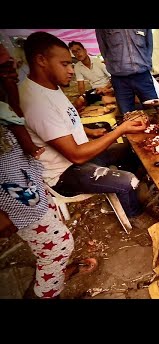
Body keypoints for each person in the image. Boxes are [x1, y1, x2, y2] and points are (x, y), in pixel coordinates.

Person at [18, 32, 149, 227]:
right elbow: (76, 156)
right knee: (128, 180)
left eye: (71, 64)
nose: (71, 70)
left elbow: (64, 123)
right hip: (63, 173)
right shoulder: (36, 101)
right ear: (41, 60)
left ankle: (121, 189)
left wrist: (90, 132)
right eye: (65, 64)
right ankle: (134, 213)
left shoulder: (50, 87)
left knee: (131, 150)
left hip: (79, 156)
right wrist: (120, 130)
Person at [0, 47, 81, 299]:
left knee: (53, 233)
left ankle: (52, 275)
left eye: (10, 62)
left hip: (29, 181)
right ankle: (45, 291)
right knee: (58, 246)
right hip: (16, 192)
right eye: (3, 65)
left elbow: (17, 120)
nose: (12, 67)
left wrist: (7, 87)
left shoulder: (7, 102)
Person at [95, 29, 158, 114]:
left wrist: (145, 63)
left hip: (143, 75)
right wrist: (116, 67)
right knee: (127, 115)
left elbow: (149, 45)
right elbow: (104, 49)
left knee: (154, 110)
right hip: (120, 80)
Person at [67, 41, 115, 109]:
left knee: (107, 97)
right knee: (78, 102)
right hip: (96, 90)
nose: (77, 53)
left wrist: (105, 88)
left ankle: (110, 100)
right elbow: (81, 86)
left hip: (108, 88)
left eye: (79, 49)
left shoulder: (98, 62)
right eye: (74, 52)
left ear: (85, 50)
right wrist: (84, 98)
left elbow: (113, 78)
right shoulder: (77, 67)